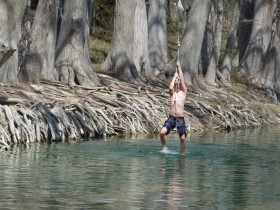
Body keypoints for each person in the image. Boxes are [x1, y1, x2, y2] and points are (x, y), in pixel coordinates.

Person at [160, 60, 187, 154]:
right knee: (162, 133)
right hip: (171, 118)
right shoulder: (172, 94)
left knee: (182, 139)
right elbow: (170, 88)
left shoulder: (183, 93)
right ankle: (164, 148)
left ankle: (182, 154)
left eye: (178, 85)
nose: (177, 86)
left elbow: (182, 79)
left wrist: (179, 67)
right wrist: (174, 77)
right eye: (176, 84)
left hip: (180, 118)